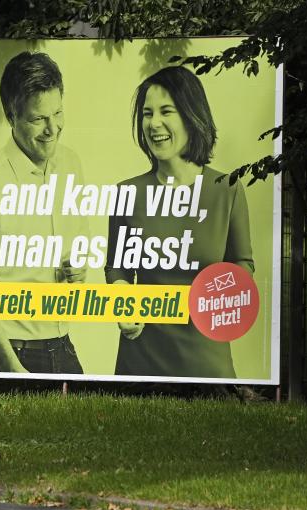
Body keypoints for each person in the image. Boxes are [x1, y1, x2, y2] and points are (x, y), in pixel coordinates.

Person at [106, 66, 254, 378]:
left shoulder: (226, 189)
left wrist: (213, 301)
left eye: (166, 111)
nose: (153, 124)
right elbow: (116, 268)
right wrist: (123, 301)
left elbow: (242, 264)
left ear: (191, 115)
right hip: (140, 360)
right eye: (147, 113)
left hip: (207, 360)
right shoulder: (126, 192)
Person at [0, 51, 88, 374]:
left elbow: (78, 248)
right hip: (12, 354)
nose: (52, 128)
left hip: (63, 343)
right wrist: (13, 370)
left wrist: (78, 269)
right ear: (11, 116)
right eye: (38, 119)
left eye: (57, 113)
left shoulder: (71, 164)